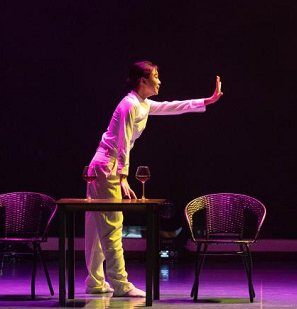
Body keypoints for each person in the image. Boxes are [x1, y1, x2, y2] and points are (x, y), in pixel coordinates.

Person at [84, 61, 223, 298]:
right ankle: (120, 283)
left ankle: (95, 281)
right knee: (111, 225)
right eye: (156, 76)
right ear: (142, 80)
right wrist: (122, 176)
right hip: (108, 166)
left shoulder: (142, 104)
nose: (159, 81)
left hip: (104, 165)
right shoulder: (129, 105)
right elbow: (122, 142)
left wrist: (206, 101)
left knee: (98, 226)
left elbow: (173, 106)